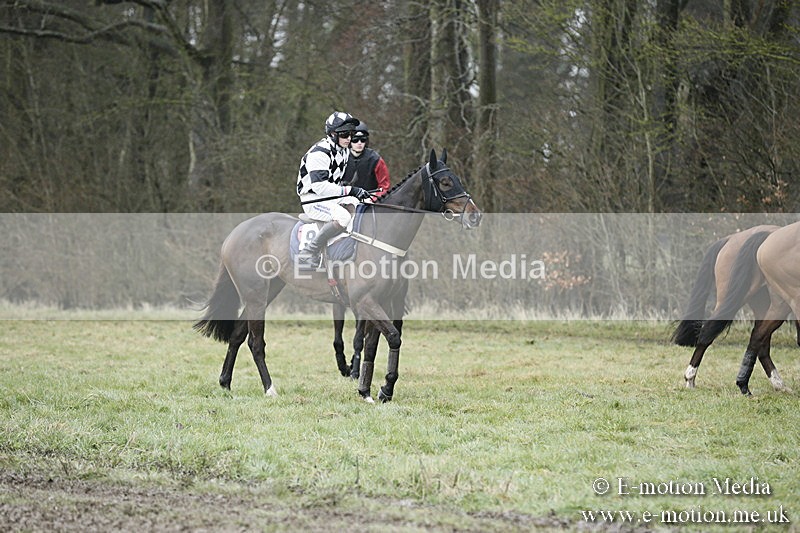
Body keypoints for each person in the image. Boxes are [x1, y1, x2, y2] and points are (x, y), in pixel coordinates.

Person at [296, 111, 372, 269]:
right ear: (332, 134)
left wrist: (355, 193)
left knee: (361, 203)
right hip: (313, 198)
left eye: (351, 133)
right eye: (345, 134)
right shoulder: (319, 153)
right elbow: (319, 186)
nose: (349, 138)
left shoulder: (342, 150)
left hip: (327, 196)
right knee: (343, 217)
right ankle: (309, 252)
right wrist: (350, 190)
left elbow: (336, 183)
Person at [343, 122, 391, 198]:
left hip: (368, 200)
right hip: (343, 199)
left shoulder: (375, 159)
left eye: (362, 140)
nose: (359, 143)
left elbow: (384, 186)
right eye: (355, 140)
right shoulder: (340, 157)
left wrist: (374, 199)